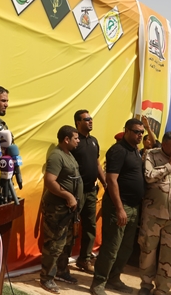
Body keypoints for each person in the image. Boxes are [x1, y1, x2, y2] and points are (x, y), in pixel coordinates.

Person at [90, 119, 146, 295]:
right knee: (111, 247)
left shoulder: (135, 150)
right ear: (127, 131)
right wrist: (120, 208)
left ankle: (114, 278)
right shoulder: (118, 150)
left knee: (126, 248)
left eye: (142, 132)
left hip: (133, 206)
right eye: (136, 132)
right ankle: (98, 283)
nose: (140, 135)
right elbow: (112, 180)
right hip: (119, 206)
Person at [137, 131, 171, 295]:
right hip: (152, 214)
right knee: (148, 251)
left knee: (170, 254)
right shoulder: (152, 155)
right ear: (164, 144)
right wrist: (169, 166)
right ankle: (146, 285)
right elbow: (149, 176)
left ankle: (162, 289)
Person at [39, 126, 84, 294]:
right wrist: (68, 196)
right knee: (54, 244)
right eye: (75, 138)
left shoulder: (69, 155)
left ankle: (61, 271)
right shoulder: (57, 156)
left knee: (67, 242)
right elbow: (50, 181)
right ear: (66, 139)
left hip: (68, 211)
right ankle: (46, 278)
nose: (78, 141)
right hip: (57, 209)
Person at [70, 110, 106, 274]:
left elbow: (97, 163)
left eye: (91, 119)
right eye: (87, 119)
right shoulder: (74, 141)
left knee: (90, 226)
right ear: (78, 122)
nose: (91, 121)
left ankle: (84, 259)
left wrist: (105, 182)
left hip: (91, 190)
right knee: (71, 226)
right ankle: (61, 263)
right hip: (76, 192)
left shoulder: (93, 141)